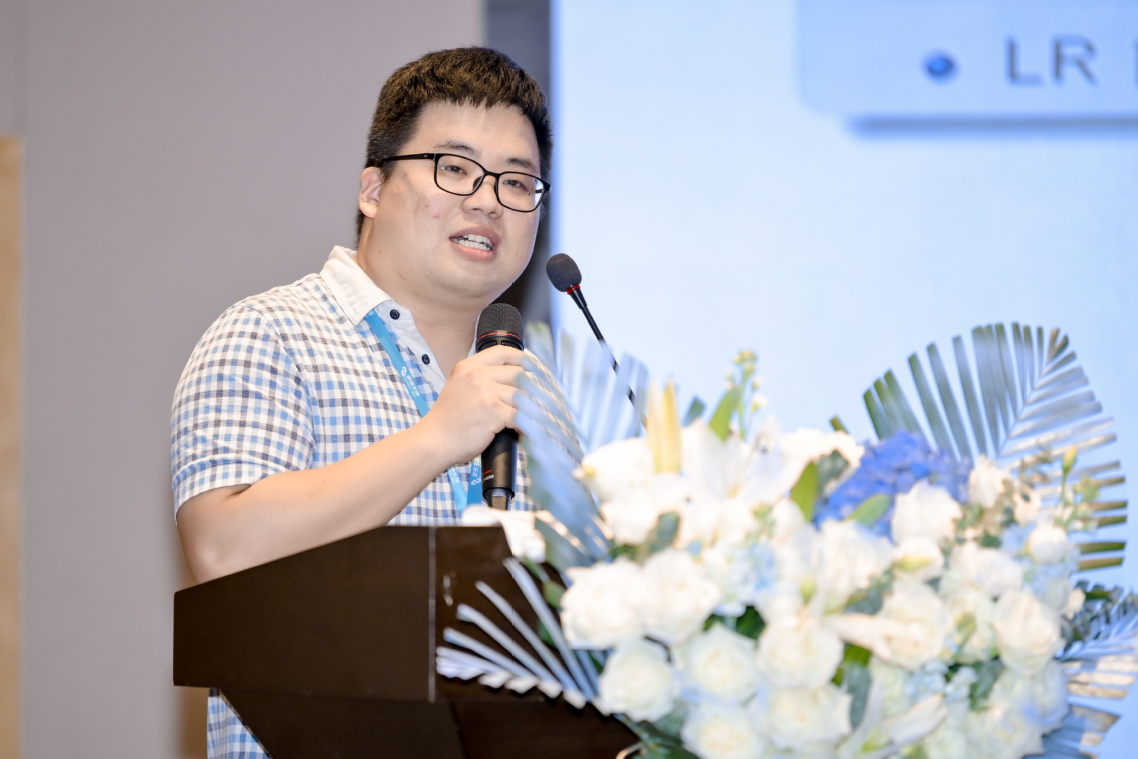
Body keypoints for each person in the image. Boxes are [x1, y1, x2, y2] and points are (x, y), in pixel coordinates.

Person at [169, 47, 552, 758]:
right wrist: (438, 437)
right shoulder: (271, 335)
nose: (486, 200)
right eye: (455, 168)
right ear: (372, 189)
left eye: (516, 181)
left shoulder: (549, 397)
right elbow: (226, 553)